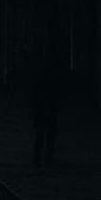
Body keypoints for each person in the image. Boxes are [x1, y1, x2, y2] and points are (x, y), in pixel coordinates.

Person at [29, 38, 61, 166]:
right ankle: (46, 158)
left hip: (42, 106)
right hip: (46, 106)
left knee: (41, 134)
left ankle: (39, 158)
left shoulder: (38, 73)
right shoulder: (52, 74)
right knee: (46, 134)